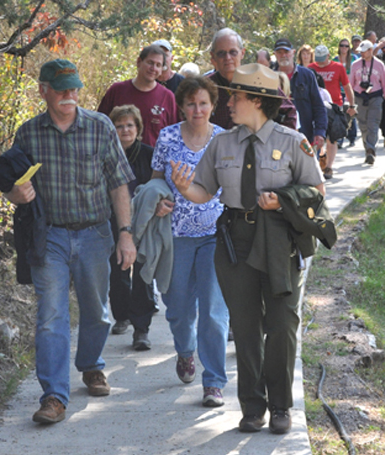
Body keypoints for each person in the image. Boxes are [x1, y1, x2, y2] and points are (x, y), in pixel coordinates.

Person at [170, 63, 327, 435]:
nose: (229, 103)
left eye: (236, 96)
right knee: (245, 327)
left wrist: (283, 201)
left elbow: (316, 193)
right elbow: (204, 191)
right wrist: (183, 188)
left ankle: (281, 406)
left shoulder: (292, 142)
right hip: (235, 241)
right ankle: (252, 408)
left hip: (279, 241)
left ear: (257, 101)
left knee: (282, 324)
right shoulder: (222, 143)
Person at [5, 59, 137, 424]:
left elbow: (118, 183)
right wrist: (16, 194)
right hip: (50, 237)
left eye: (74, 87)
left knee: (97, 313)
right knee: (51, 315)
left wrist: (125, 233)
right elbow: (14, 186)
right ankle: (54, 396)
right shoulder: (29, 134)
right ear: (43, 89)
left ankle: (91, 365)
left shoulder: (100, 127)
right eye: (61, 88)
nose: (70, 94)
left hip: (96, 233)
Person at [150, 76, 230, 408]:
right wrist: (156, 202)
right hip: (175, 236)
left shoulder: (225, 140)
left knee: (213, 310)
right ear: (181, 106)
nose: (197, 109)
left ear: (213, 106)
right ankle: (185, 351)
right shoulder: (167, 138)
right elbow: (155, 181)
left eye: (203, 103)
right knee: (179, 308)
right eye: (191, 103)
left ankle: (213, 381)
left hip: (215, 235)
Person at [106, 105, 157, 350]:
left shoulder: (149, 154)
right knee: (117, 272)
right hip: (112, 221)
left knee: (143, 274)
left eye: (130, 125)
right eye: (119, 125)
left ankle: (142, 329)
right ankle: (121, 315)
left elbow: (159, 186)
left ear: (138, 129)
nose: (125, 129)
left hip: (144, 223)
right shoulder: (104, 154)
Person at [98, 45, 179, 146]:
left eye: (158, 65)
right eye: (150, 63)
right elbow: (100, 125)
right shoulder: (117, 90)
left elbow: (175, 135)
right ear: (139, 62)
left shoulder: (167, 97)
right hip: (118, 157)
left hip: (153, 159)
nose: (153, 68)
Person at [308, 45, 356, 179]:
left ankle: (329, 166)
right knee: (316, 138)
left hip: (334, 108)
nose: (320, 62)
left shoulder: (338, 67)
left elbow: (347, 87)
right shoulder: (310, 68)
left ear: (328, 56)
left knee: (332, 138)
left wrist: (352, 105)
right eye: (318, 59)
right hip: (315, 108)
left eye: (323, 59)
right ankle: (318, 160)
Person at [274, 37, 327, 150]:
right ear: (275, 54)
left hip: (305, 136)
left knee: (308, 167)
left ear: (293, 53)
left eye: (286, 52)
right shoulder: (268, 76)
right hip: (277, 138)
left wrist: (320, 132)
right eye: (279, 52)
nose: (283, 55)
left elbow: (318, 105)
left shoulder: (307, 75)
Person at [349, 40, 385, 164]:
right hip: (360, 97)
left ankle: (370, 150)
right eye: (360, 52)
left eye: (364, 51)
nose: (362, 54)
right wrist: (349, 101)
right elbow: (350, 84)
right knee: (363, 125)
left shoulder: (379, 65)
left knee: (373, 124)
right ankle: (368, 147)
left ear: (370, 51)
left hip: (375, 97)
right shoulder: (355, 64)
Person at [207, 28, 246, 129]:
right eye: (221, 53)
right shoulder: (204, 86)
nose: (227, 58)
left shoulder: (258, 82)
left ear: (242, 53)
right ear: (213, 56)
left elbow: (287, 115)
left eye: (233, 52)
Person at [333, 38, 360, 147]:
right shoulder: (335, 60)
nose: (344, 48)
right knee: (339, 114)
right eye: (342, 45)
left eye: (346, 46)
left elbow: (357, 74)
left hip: (350, 90)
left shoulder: (354, 59)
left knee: (350, 112)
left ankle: (352, 136)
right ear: (339, 47)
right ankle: (339, 138)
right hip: (338, 90)